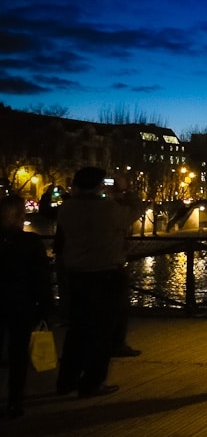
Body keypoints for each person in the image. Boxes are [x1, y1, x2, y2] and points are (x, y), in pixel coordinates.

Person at [54, 167, 140, 398]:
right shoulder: (108, 209)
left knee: (77, 331)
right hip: (106, 275)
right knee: (103, 333)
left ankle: (66, 381)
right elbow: (134, 211)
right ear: (99, 185)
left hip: (77, 275)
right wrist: (125, 190)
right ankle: (92, 382)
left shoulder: (67, 209)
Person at [1, 196, 54, 417]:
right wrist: (45, 306)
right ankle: (14, 400)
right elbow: (41, 278)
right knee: (18, 354)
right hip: (20, 304)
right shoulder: (30, 243)